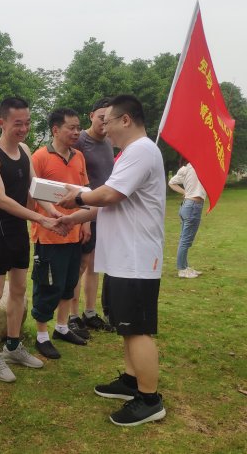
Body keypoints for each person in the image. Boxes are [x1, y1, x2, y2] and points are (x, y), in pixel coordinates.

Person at [58, 94, 166, 427]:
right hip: (123, 257)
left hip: (136, 257)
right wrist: (74, 218)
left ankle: (150, 399)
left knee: (138, 330)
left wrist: (76, 196)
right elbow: (107, 203)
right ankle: (132, 382)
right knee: (126, 326)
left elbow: (107, 194)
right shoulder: (129, 154)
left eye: (108, 122)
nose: (104, 128)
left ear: (126, 120)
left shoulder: (141, 151)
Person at [0, 97, 63, 383]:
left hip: (18, 231)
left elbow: (35, 189)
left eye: (27, 123)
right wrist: (40, 219)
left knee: (18, 289)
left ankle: (13, 346)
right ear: (1, 122)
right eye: (18, 123)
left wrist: (54, 212)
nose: (24, 129)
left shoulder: (25, 150)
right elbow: (2, 200)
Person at [30, 108, 91, 360]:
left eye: (78, 127)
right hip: (49, 235)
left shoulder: (79, 156)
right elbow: (32, 194)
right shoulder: (39, 157)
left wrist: (85, 222)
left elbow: (85, 192)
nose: (77, 132)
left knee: (68, 283)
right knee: (47, 286)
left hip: (74, 233)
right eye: (71, 128)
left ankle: (62, 327)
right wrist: (51, 216)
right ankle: (41, 335)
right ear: (55, 129)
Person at [68, 98, 115, 336]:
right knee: (79, 265)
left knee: (95, 265)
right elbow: (76, 180)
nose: (104, 123)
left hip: (104, 214)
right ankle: (71, 315)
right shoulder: (81, 141)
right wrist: (84, 218)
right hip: (84, 213)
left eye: (109, 119)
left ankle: (89, 312)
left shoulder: (109, 142)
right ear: (91, 115)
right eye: (100, 117)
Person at [168, 161, 206, 278]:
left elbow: (171, 182)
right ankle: (182, 269)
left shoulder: (186, 168)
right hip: (193, 206)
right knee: (185, 240)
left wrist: (185, 192)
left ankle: (184, 266)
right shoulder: (203, 167)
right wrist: (186, 192)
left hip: (187, 205)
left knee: (184, 239)